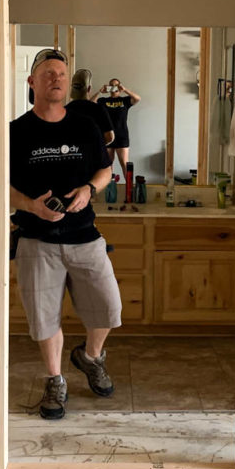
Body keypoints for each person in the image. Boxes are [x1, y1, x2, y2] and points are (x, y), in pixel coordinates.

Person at [10, 48, 122, 420]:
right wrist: (31, 205)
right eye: (47, 73)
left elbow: (105, 171)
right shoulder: (16, 132)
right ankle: (55, 380)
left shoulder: (85, 126)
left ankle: (90, 358)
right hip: (36, 241)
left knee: (108, 308)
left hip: (86, 237)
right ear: (32, 82)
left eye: (61, 73)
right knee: (45, 319)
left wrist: (89, 189)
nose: (55, 78)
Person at [92, 78, 141, 184]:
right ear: (109, 88)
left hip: (122, 136)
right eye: (111, 86)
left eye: (116, 85)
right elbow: (90, 103)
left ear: (119, 87)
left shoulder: (125, 101)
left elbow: (137, 98)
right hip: (107, 136)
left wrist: (125, 90)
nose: (114, 88)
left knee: (124, 163)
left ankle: (129, 190)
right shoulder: (103, 101)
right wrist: (100, 92)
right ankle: (109, 189)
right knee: (108, 164)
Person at [65, 68, 115, 147]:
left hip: (72, 155)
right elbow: (110, 137)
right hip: (93, 156)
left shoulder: (64, 110)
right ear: (89, 88)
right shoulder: (98, 109)